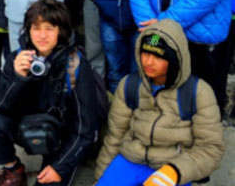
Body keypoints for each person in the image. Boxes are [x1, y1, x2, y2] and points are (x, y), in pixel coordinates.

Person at [95, 19, 225, 185]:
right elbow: (115, 137)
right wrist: (100, 178)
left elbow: (210, 148)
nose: (148, 62)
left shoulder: (198, 92)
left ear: (175, 58)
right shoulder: (129, 85)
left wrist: (174, 172)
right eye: (145, 53)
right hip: (130, 159)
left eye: (158, 56)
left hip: (173, 166)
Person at [0, 0, 97, 186]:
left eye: (49, 28)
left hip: (60, 138)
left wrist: (59, 167)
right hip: (28, 127)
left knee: (48, 181)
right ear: (28, 30)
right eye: (36, 28)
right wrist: (17, 78)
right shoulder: (19, 58)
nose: (42, 36)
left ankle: (58, 163)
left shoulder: (75, 65)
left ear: (60, 31)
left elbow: (84, 129)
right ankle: (13, 170)